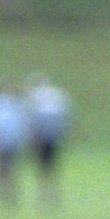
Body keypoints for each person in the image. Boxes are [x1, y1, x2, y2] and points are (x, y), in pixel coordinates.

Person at [0, 83, 30, 210]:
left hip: (9, 143)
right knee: (2, 170)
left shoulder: (12, 105)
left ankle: (8, 195)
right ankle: (6, 195)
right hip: (1, 142)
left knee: (7, 169)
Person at [25, 75, 71, 209]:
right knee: (50, 166)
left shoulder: (34, 96)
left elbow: (31, 119)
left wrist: (31, 139)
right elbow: (66, 115)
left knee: (43, 167)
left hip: (41, 135)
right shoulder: (58, 95)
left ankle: (45, 193)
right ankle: (51, 193)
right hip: (53, 135)